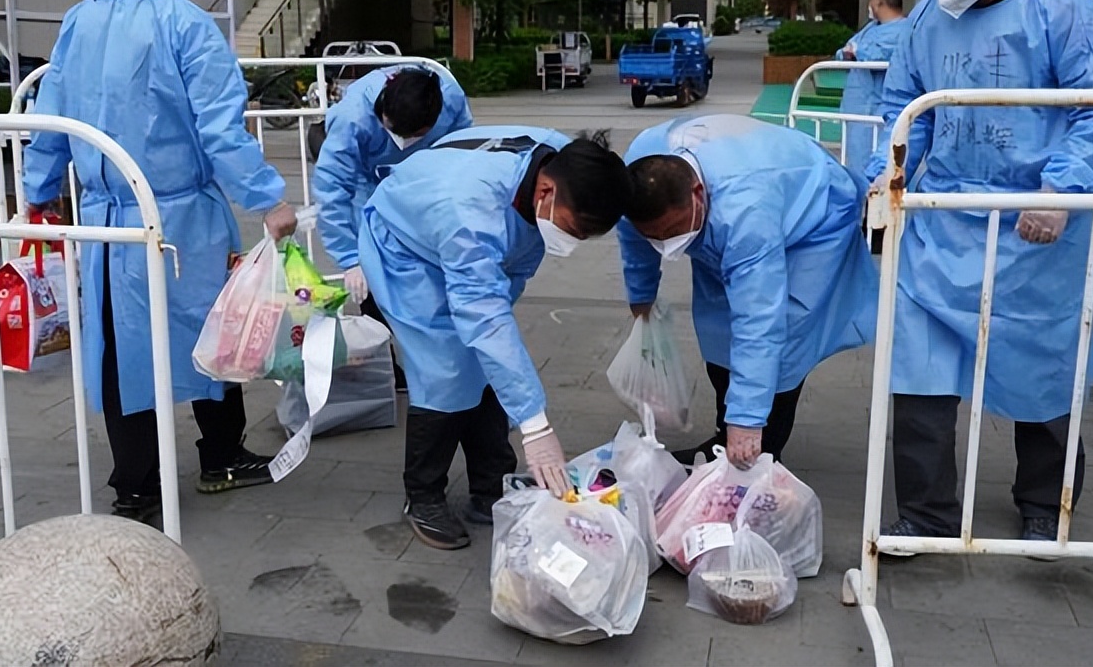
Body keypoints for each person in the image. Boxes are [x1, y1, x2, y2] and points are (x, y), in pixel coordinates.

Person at [864, 0, 1093, 550]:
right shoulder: (927, 19)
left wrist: (1062, 190)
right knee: (918, 372)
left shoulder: (1063, 7)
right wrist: (888, 171)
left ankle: (1046, 504)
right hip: (945, 216)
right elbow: (906, 108)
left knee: (1043, 365)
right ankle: (927, 515)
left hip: (1036, 221)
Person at [24, 0, 299, 524]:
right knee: (214, 330)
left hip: (105, 217)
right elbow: (221, 132)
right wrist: (268, 200)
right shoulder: (189, 26)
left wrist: (38, 192)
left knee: (120, 346)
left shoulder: (78, 22)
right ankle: (222, 453)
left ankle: (135, 486)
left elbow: (50, 120)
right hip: (181, 217)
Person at [357, 125, 633, 549]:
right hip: (406, 250)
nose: (574, 243)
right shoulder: (469, 212)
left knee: (490, 364)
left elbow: (491, 317)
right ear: (545, 192)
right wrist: (536, 427)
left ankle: (491, 485)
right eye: (574, 229)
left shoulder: (566, 162)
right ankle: (424, 495)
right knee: (446, 371)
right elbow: (484, 319)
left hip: (464, 242)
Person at [619, 115, 878, 468]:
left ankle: (762, 451)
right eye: (656, 236)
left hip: (814, 220)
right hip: (732, 207)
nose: (666, 244)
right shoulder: (638, 170)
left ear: (697, 194)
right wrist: (641, 297)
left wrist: (748, 418)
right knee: (716, 326)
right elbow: (633, 236)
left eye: (672, 230)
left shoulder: (746, 211)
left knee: (785, 333)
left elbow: (759, 320)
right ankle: (725, 436)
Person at [312, 64, 473, 390]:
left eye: (412, 135)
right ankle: (383, 364)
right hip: (367, 184)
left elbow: (464, 149)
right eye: (393, 130)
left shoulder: (450, 99)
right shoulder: (353, 118)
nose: (401, 140)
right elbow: (331, 189)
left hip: (424, 185)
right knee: (374, 275)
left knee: (435, 274)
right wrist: (350, 259)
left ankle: (445, 359)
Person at [836, 0, 907, 171]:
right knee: (855, 158)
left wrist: (859, 51)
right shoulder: (871, 28)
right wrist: (849, 53)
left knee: (880, 160)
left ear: (878, 2)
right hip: (857, 110)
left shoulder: (904, 30)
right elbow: (847, 49)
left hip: (878, 108)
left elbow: (882, 55)